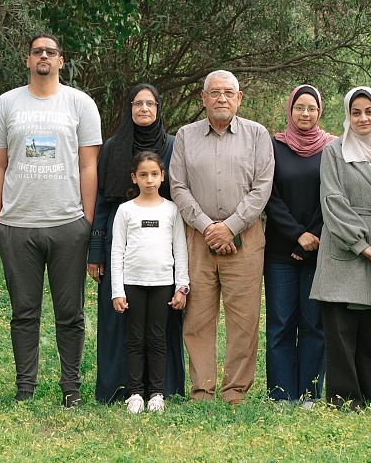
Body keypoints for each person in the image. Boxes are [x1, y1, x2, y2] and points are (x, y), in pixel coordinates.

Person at [0, 34, 102, 408]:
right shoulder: (7, 104)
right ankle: (25, 387)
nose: (44, 57)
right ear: (28, 59)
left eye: (51, 52)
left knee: (70, 313)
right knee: (24, 312)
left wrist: (87, 219)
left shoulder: (80, 104)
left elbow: (88, 164)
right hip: (17, 224)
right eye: (38, 52)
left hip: (68, 222)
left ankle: (71, 387)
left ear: (61, 61)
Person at [169, 69, 274, 404]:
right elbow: (178, 186)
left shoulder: (257, 135)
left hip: (245, 238)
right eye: (214, 93)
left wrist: (230, 226)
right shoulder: (185, 135)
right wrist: (207, 227)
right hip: (198, 240)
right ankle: (202, 389)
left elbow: (262, 188)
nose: (222, 98)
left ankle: (235, 391)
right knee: (198, 317)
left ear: (239, 98)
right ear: (203, 99)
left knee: (244, 320)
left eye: (229, 93)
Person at [87, 83, 185, 404]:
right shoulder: (113, 148)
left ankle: (161, 388)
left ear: (158, 108)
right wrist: (96, 251)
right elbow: (102, 202)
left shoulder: (172, 146)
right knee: (119, 317)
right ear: (129, 108)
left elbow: (179, 194)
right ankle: (120, 389)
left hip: (161, 245)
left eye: (150, 104)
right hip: (121, 241)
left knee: (161, 324)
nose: (144, 109)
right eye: (138, 103)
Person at [310, 86, 371, 410]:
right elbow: (332, 201)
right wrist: (361, 245)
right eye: (356, 112)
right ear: (348, 116)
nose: (363, 118)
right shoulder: (334, 152)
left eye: (369, 111)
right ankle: (344, 400)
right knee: (340, 332)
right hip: (345, 248)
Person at [263, 84, 336, 407]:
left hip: (320, 250)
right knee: (280, 324)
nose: (305, 114)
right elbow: (270, 197)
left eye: (311, 108)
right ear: (289, 110)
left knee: (313, 324)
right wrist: (297, 235)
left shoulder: (333, 148)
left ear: (320, 112)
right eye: (299, 108)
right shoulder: (273, 147)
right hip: (280, 250)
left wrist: (312, 236)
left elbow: (333, 196)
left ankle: (307, 394)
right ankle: (281, 394)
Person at [110, 152, 189, 414]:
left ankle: (156, 392)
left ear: (163, 176)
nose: (149, 180)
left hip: (163, 283)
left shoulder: (171, 210)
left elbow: (180, 249)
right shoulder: (125, 210)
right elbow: (117, 251)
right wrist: (117, 291)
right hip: (132, 283)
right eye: (143, 175)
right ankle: (135, 393)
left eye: (154, 174)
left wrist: (182, 286)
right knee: (134, 339)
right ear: (134, 178)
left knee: (157, 338)